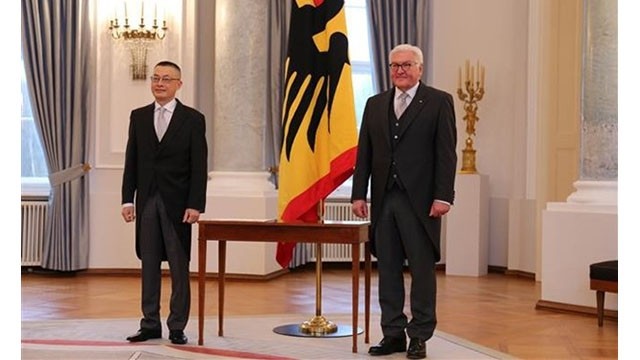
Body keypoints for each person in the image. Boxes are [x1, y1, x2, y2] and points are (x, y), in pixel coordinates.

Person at [351, 44, 457, 359]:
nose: (400, 70)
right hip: (384, 201)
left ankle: (420, 335)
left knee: (422, 272)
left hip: (422, 203)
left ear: (420, 68)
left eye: (407, 65)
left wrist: (443, 196)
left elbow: (446, 154)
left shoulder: (439, 102)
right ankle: (393, 333)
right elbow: (364, 153)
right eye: (394, 65)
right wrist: (359, 193)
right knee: (388, 270)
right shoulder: (374, 104)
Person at [121, 60, 208, 345]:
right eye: (155, 78)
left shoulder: (193, 119)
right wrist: (127, 199)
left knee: (179, 268)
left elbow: (199, 166)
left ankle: (177, 326)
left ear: (178, 84)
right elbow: (131, 161)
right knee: (148, 266)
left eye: (166, 79)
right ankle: (149, 324)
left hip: (179, 205)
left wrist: (196, 205)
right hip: (146, 202)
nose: (159, 83)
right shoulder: (139, 116)